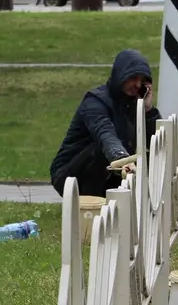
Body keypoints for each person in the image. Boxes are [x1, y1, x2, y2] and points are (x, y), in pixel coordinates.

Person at [50, 49, 161, 198]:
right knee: (101, 151)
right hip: (70, 174)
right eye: (133, 78)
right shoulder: (95, 102)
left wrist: (148, 110)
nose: (137, 84)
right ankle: (92, 206)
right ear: (120, 75)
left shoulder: (135, 104)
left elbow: (155, 141)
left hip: (111, 170)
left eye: (142, 81)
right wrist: (121, 158)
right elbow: (105, 134)